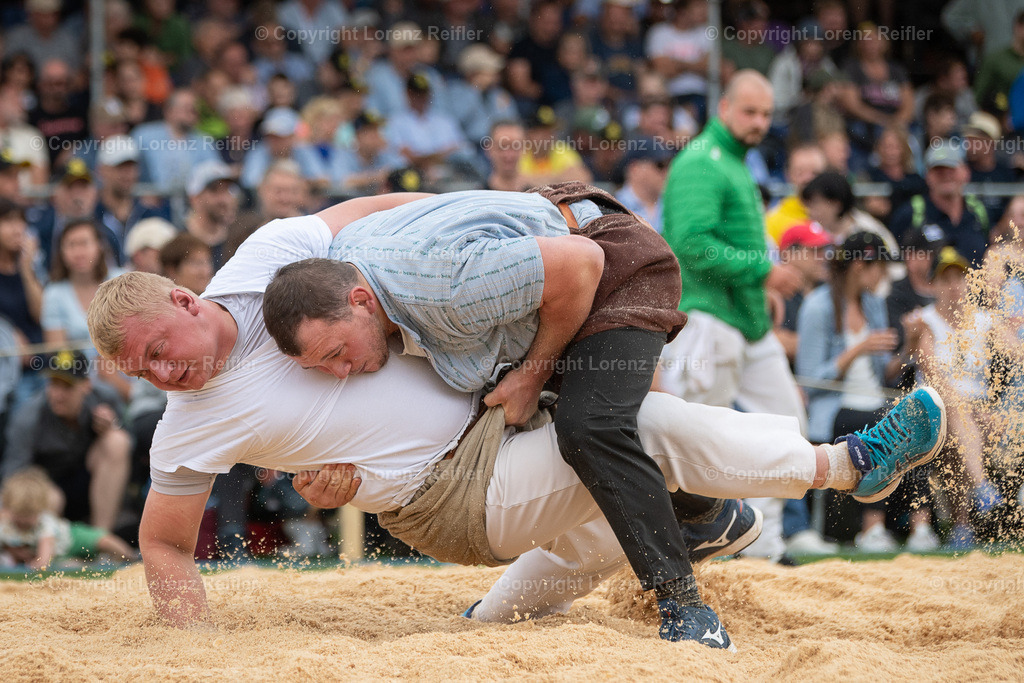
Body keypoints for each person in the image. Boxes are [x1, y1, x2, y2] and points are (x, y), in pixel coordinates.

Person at [87, 223, 945, 637]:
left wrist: (491, 219)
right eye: (144, 373)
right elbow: (162, 542)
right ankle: (849, 462)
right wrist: (189, 646)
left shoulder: (270, 257)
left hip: (505, 437)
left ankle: (507, 608)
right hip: (453, 493)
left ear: (187, 302)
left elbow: (376, 213)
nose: (164, 375)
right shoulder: (184, 426)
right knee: (630, 428)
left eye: (159, 351)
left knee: (597, 529)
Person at [659, 70, 806, 562]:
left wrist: (756, 286)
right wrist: (763, 274)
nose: (759, 122)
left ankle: (764, 549)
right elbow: (690, 246)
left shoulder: (737, 162)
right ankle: (700, 551)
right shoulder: (702, 162)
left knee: (786, 421)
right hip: (705, 320)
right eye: (750, 111)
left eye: (766, 114)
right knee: (700, 443)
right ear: (723, 108)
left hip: (742, 319)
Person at [796, 232, 938, 552]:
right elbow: (810, 380)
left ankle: (921, 525)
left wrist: (911, 345)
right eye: (880, 268)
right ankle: (872, 528)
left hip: (874, 400)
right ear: (860, 265)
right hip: (835, 408)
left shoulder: (873, 303)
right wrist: (857, 349)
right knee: (882, 422)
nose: (884, 276)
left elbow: (888, 373)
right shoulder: (817, 307)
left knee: (917, 417)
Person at [2, 350, 131, 533]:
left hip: (93, 485)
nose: (58, 394)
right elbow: (13, 477)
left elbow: (131, 445)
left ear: (86, 385)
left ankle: (99, 539)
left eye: (67, 386)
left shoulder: (105, 398)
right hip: (48, 495)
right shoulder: (29, 416)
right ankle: (51, 548)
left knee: (117, 441)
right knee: (52, 497)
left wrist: (112, 426)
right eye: (54, 384)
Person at [0, 467, 136, 569]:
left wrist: (36, 564)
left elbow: (44, 558)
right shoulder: (6, 524)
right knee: (71, 564)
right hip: (60, 555)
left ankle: (132, 558)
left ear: (41, 510)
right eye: (19, 515)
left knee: (104, 540)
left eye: (29, 515)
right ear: (8, 510)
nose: (23, 520)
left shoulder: (44, 524)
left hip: (70, 537)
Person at [889, 141, 990, 266]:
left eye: (951, 169)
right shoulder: (910, 213)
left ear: (965, 172)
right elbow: (895, 261)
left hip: (975, 284)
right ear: (927, 176)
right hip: (925, 285)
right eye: (938, 170)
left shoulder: (978, 211)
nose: (946, 175)